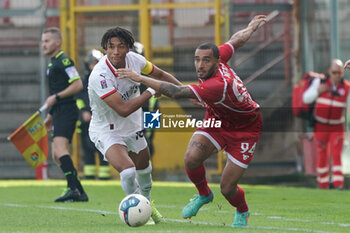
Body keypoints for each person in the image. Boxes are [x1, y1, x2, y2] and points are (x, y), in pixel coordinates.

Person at [117, 15, 267, 227]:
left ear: (216, 61)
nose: (200, 64)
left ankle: (242, 210)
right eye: (197, 59)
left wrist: (140, 78)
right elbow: (236, 40)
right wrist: (251, 27)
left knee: (227, 188)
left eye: (205, 60)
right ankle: (204, 194)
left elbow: (177, 92)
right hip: (217, 119)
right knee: (191, 158)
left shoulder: (217, 85)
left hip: (245, 129)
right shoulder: (220, 57)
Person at [88, 26, 182, 223]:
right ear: (105, 48)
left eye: (120, 46)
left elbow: (162, 75)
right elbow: (122, 109)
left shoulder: (136, 61)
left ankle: (146, 209)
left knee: (145, 172)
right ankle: (135, 211)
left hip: (134, 126)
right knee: (129, 171)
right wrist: (150, 89)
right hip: (107, 130)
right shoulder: (100, 75)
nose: (115, 52)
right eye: (110, 47)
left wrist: (185, 92)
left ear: (129, 48)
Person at [41, 27, 88, 202]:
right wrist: (51, 115)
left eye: (47, 41)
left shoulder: (64, 61)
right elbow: (56, 91)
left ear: (58, 42)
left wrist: (57, 97)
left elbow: (77, 85)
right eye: (43, 41)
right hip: (59, 112)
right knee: (56, 154)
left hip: (67, 111)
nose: (43, 44)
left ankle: (73, 189)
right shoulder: (52, 63)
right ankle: (79, 191)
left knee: (60, 150)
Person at [303, 59, 349, 189]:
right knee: (322, 155)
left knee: (336, 154)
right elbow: (306, 98)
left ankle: (338, 185)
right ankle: (322, 185)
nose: (337, 75)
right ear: (329, 71)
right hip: (320, 125)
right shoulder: (320, 82)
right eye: (334, 72)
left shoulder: (346, 87)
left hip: (337, 126)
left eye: (340, 72)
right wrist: (318, 92)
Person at [76, 49, 111, 180]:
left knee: (103, 148)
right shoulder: (84, 82)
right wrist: (84, 111)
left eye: (96, 63)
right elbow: (79, 99)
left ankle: (104, 176)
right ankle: (89, 176)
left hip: (102, 120)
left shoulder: (105, 80)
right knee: (87, 149)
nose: (93, 66)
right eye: (91, 64)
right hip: (86, 122)